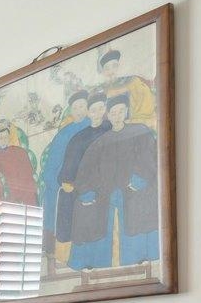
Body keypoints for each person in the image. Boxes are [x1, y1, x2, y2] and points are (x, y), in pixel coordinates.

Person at [68, 93, 159, 270]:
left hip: (133, 189)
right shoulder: (101, 142)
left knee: (141, 209)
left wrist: (139, 179)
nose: (117, 116)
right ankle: (95, 264)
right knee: (89, 212)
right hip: (106, 192)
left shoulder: (140, 132)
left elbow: (150, 160)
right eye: (113, 113)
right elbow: (87, 169)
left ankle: (140, 260)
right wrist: (86, 189)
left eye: (120, 111)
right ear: (107, 115)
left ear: (126, 112)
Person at [53, 91, 111, 258]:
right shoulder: (79, 137)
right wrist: (67, 181)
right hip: (83, 182)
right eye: (93, 110)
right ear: (89, 112)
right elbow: (69, 165)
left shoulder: (111, 129)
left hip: (106, 181)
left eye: (101, 108)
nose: (97, 113)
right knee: (67, 194)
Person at [36, 90, 92, 262]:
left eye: (82, 106)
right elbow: (52, 163)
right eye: (75, 107)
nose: (79, 110)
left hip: (87, 179)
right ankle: (53, 253)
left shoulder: (95, 126)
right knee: (52, 197)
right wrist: (57, 183)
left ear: (88, 108)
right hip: (63, 181)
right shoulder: (64, 133)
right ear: (71, 110)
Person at [98, 48, 156, 126]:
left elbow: (147, 113)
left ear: (120, 66)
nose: (111, 72)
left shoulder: (134, 82)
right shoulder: (102, 91)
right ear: (103, 72)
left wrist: (129, 123)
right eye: (107, 68)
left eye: (114, 66)